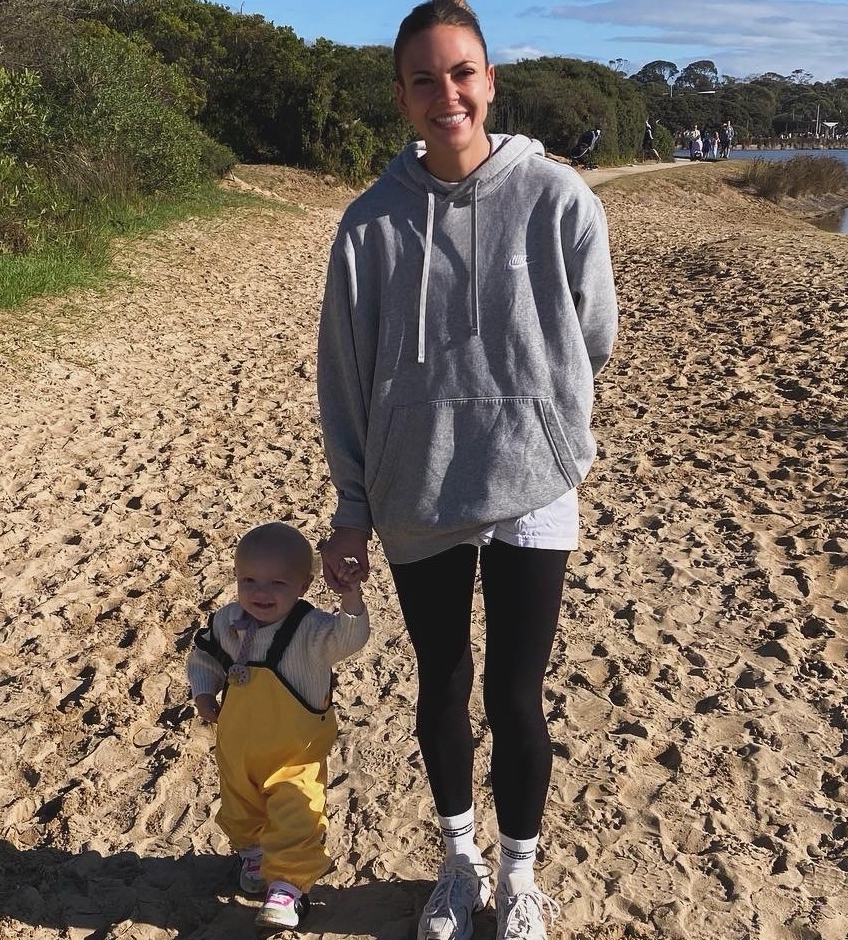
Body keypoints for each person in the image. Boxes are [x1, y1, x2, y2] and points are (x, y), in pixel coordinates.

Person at [316, 3, 618, 939]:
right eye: (424, 79)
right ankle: (460, 862)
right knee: (441, 686)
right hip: (418, 490)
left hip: (533, 482)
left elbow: (593, 338)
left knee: (516, 694)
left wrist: (541, 417)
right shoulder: (368, 225)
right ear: (402, 96)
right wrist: (353, 507)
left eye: (461, 73)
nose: (445, 94)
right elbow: (345, 377)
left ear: (489, 82)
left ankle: (520, 876)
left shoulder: (559, 198)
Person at [187, 522, 369, 930]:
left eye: (277, 583)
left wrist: (350, 598)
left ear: (304, 585)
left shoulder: (313, 629)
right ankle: (253, 855)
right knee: (240, 810)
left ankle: (287, 887)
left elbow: (350, 639)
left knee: (297, 817)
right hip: (238, 748)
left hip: (294, 755)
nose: (261, 592)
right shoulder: (227, 621)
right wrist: (204, 691)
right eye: (248, 580)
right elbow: (205, 657)